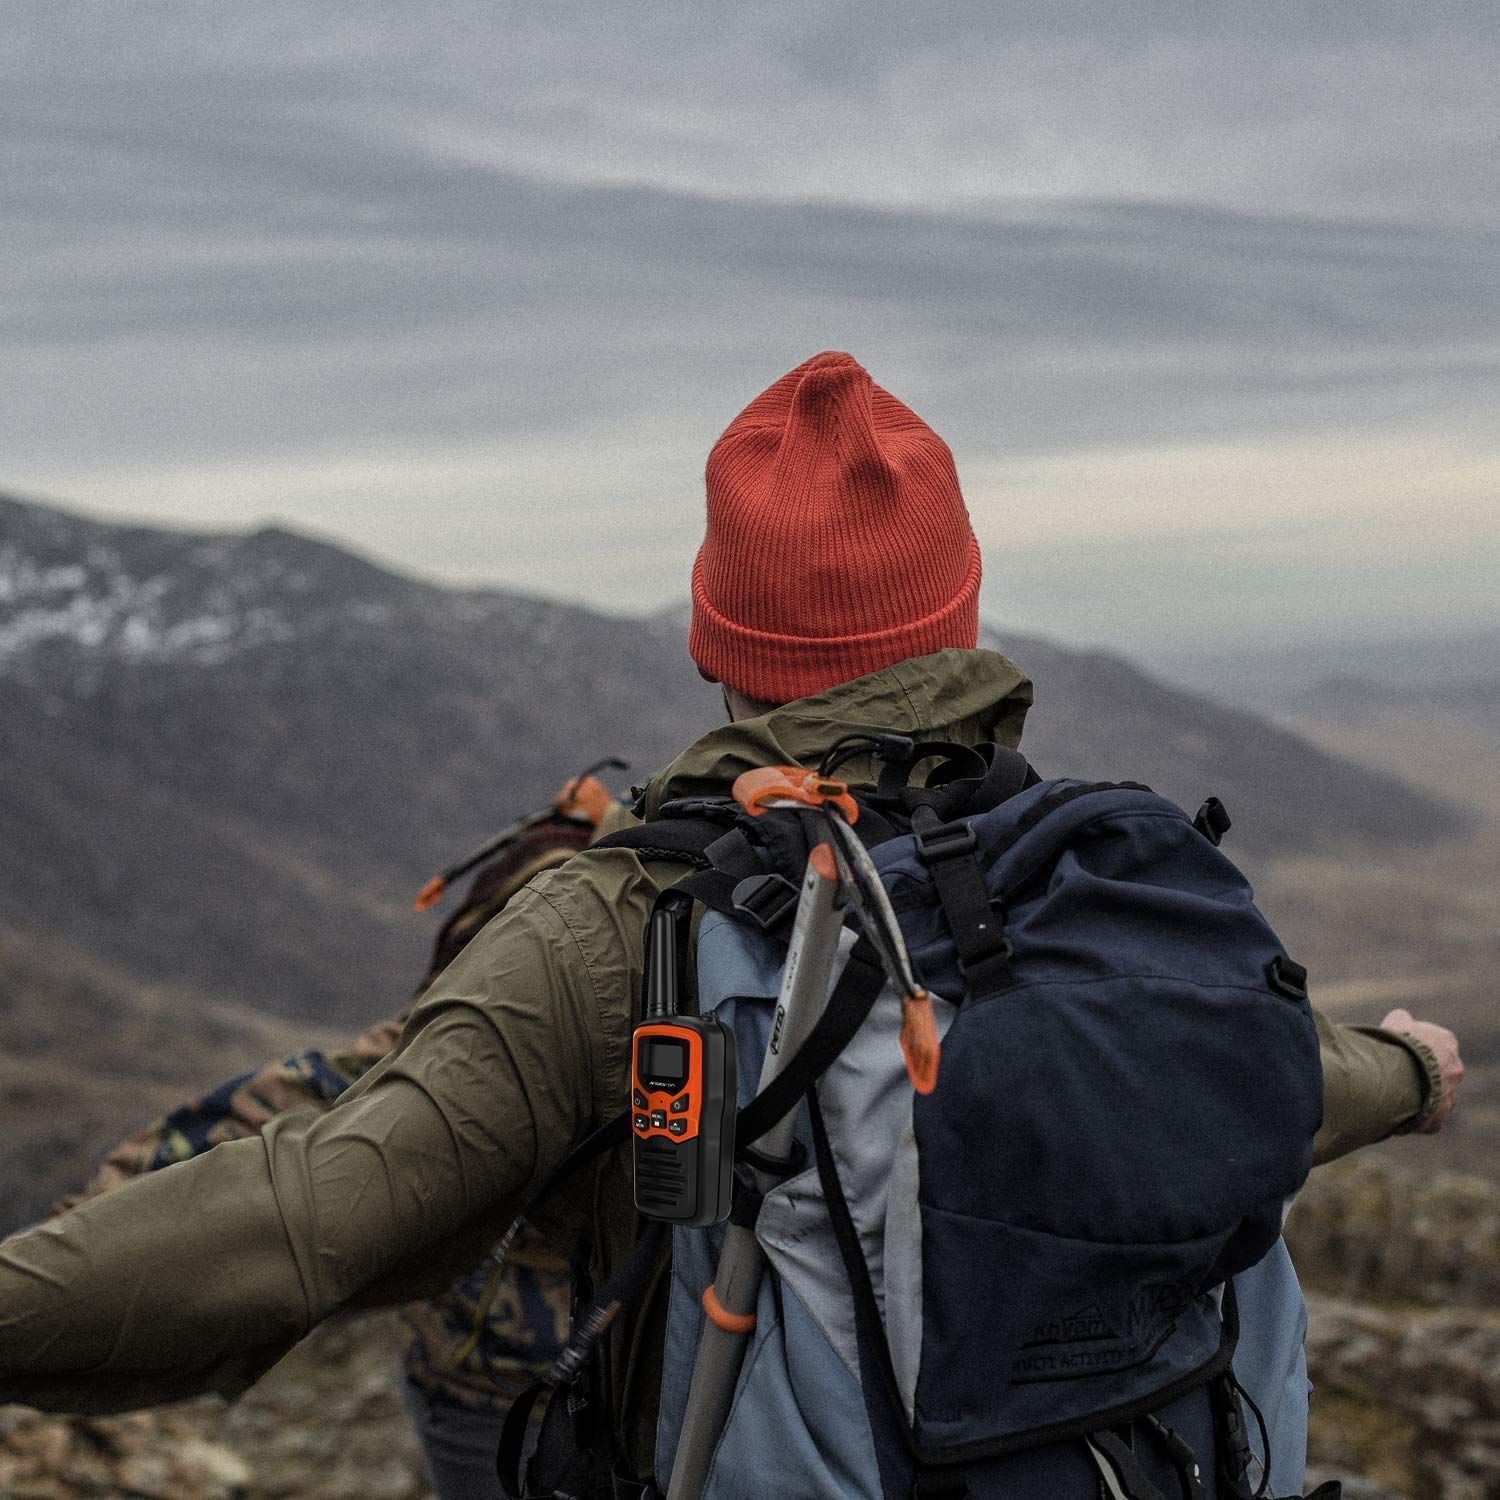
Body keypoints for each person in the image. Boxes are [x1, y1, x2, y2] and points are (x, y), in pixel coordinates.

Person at [0, 352, 1464, 1497]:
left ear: (715, 638)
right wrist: (1408, 1075)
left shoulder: (622, 916)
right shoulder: (1092, 867)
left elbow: (310, 1217)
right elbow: (1256, 1071)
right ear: (964, 616)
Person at [45, 767, 636, 1500]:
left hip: (557, 1383)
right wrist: (69, 1256)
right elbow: (241, 1124)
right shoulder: (437, 1051)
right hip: (498, 1392)